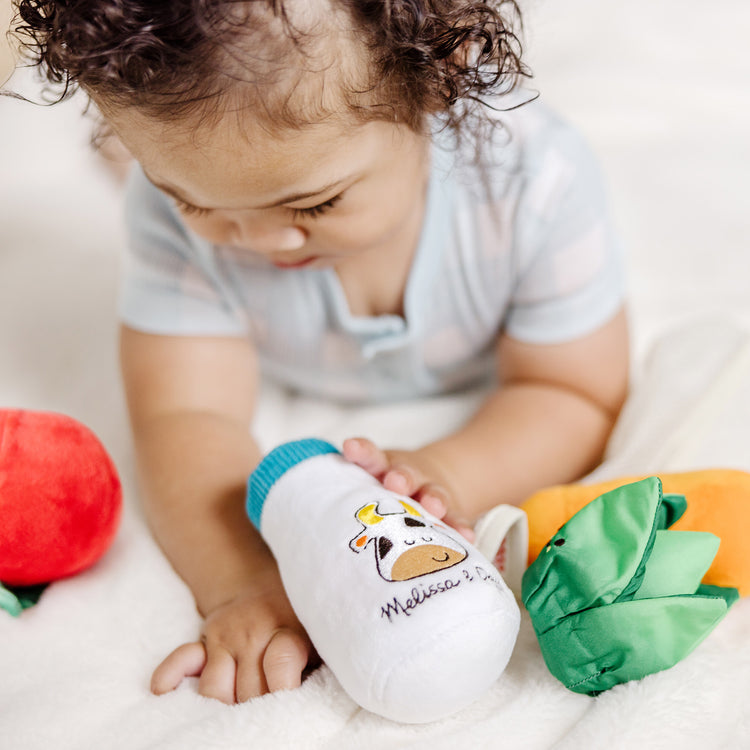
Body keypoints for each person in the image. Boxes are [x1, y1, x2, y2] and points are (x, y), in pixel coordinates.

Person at [17, 0, 629, 705]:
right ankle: (124, 158)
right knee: (152, 175)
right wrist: (245, 582)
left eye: (314, 206)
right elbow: (184, 416)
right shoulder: (170, 215)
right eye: (193, 201)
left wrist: (443, 475)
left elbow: (577, 393)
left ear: (439, 72)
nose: (254, 242)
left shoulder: (534, 183)